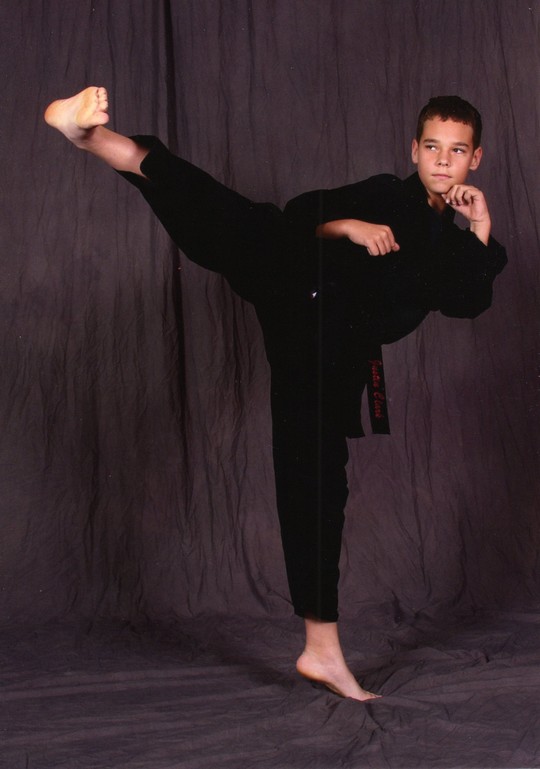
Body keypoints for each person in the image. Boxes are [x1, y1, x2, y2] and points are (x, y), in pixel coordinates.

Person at [44, 87, 507, 701]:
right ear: (413, 151)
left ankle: (321, 651)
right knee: (236, 223)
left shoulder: (449, 239)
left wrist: (481, 225)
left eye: (457, 151)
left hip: (323, 349)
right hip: (297, 277)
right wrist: (350, 226)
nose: (443, 161)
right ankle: (96, 138)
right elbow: (302, 211)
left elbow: (468, 299)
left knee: (317, 480)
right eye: (432, 147)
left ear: (476, 158)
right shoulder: (385, 193)